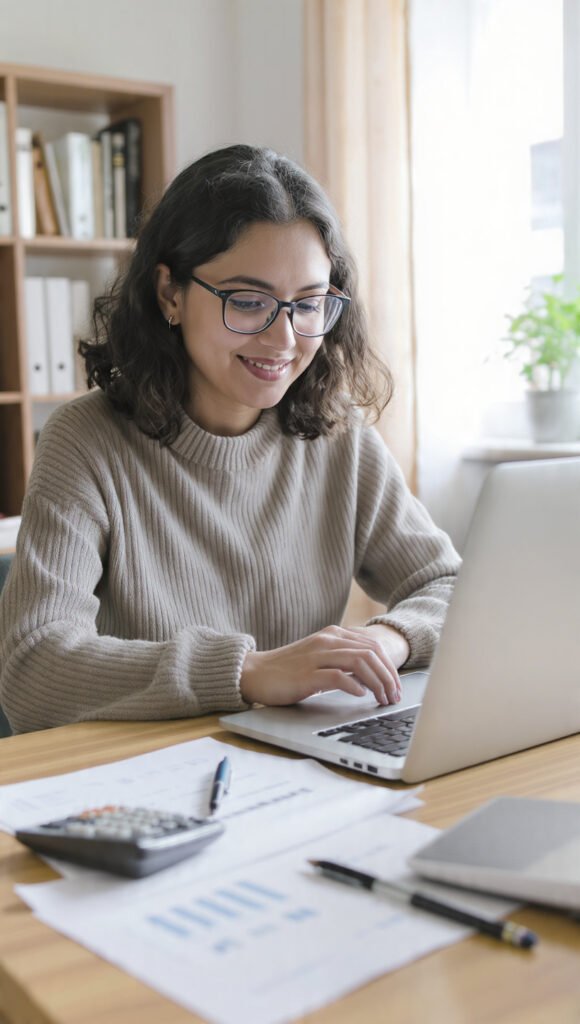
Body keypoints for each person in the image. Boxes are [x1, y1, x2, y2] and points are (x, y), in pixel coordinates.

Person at [0, 144, 460, 734]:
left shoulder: (339, 437)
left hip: (297, 763)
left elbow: (450, 587)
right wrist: (247, 671)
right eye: (247, 301)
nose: (284, 338)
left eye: (309, 305)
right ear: (170, 294)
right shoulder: (86, 441)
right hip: (144, 773)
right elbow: (32, 670)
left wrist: (388, 640)